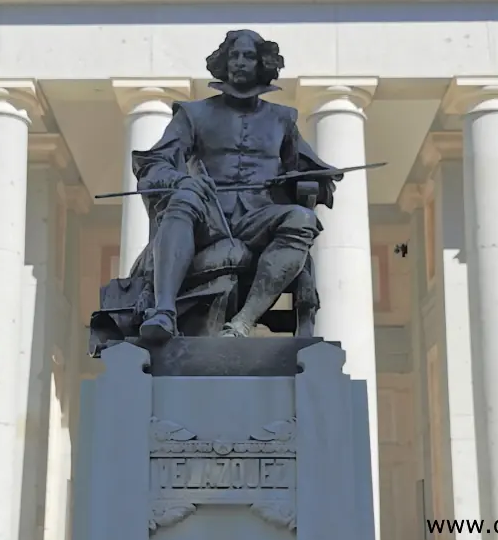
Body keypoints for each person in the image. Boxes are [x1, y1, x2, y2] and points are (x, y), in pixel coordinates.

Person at [131, 29, 341, 342]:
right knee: (186, 195)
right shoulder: (193, 114)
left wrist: (307, 180)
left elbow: (317, 178)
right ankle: (164, 313)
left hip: (258, 218)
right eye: (234, 55)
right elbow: (152, 165)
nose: (240, 62)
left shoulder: (282, 120)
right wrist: (181, 179)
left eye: (248, 56)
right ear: (224, 62)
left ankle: (242, 323)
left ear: (262, 64)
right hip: (207, 216)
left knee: (303, 218)